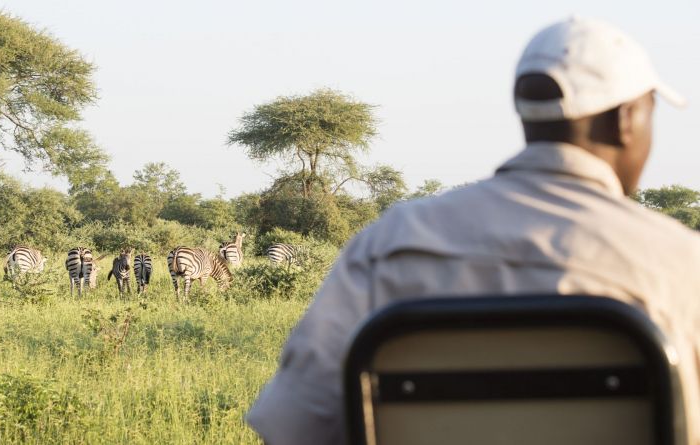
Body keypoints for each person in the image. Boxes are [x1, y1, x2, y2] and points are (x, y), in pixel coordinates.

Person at [247, 16, 700, 444]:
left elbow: (292, 426)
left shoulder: (387, 245)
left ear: (526, 115)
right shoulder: (681, 261)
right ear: (626, 120)